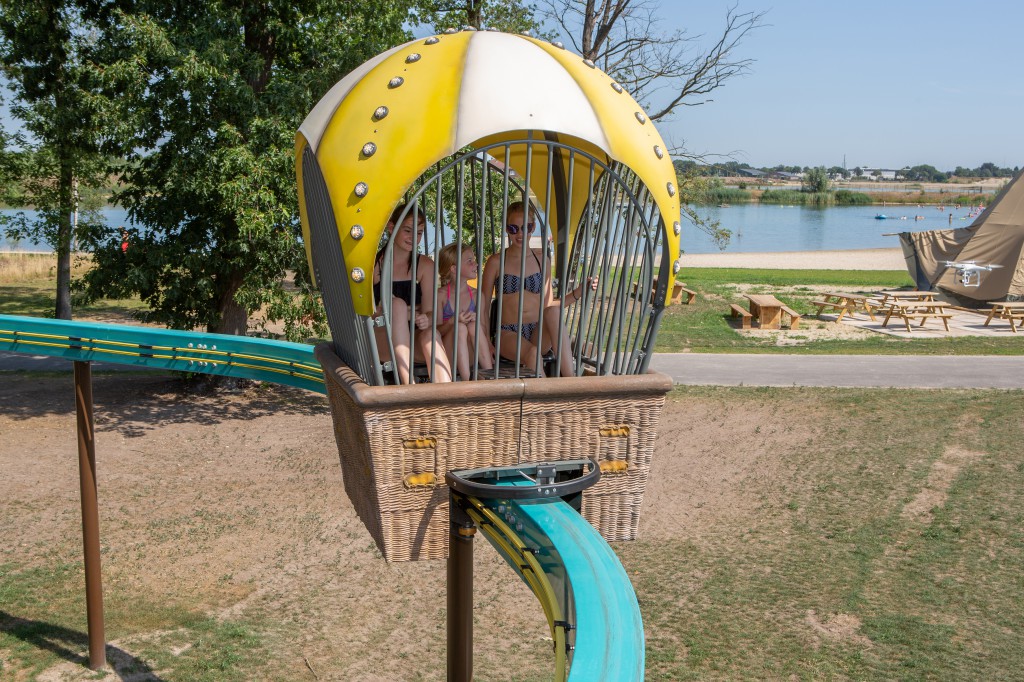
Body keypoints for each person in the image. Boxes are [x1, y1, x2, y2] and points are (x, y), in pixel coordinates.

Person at [480, 201, 595, 378]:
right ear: (506, 229)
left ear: (533, 227)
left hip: (536, 331)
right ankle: (544, 399)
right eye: (513, 228)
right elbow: (483, 305)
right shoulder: (496, 262)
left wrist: (578, 293)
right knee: (532, 353)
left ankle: (572, 384)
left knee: (553, 313)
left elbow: (548, 304)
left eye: (526, 227)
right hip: (507, 333)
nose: (520, 233)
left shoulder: (543, 261)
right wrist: (486, 340)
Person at [373, 204, 452, 384]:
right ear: (392, 228)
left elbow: (432, 314)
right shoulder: (374, 266)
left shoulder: (425, 266)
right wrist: (405, 312)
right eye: (408, 230)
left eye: (419, 233)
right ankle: (409, 384)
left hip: (414, 337)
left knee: (431, 335)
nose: (414, 238)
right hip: (383, 340)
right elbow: (368, 313)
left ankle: (449, 397)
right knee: (397, 306)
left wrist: (426, 317)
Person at [435, 243, 493, 381]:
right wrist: (452, 322)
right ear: (454, 268)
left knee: (474, 326)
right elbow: (436, 332)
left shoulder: (477, 295)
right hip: (449, 355)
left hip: (472, 353)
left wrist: (475, 320)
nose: (476, 264)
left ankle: (491, 376)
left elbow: (484, 331)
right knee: (460, 328)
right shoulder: (441, 295)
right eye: (470, 261)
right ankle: (467, 381)